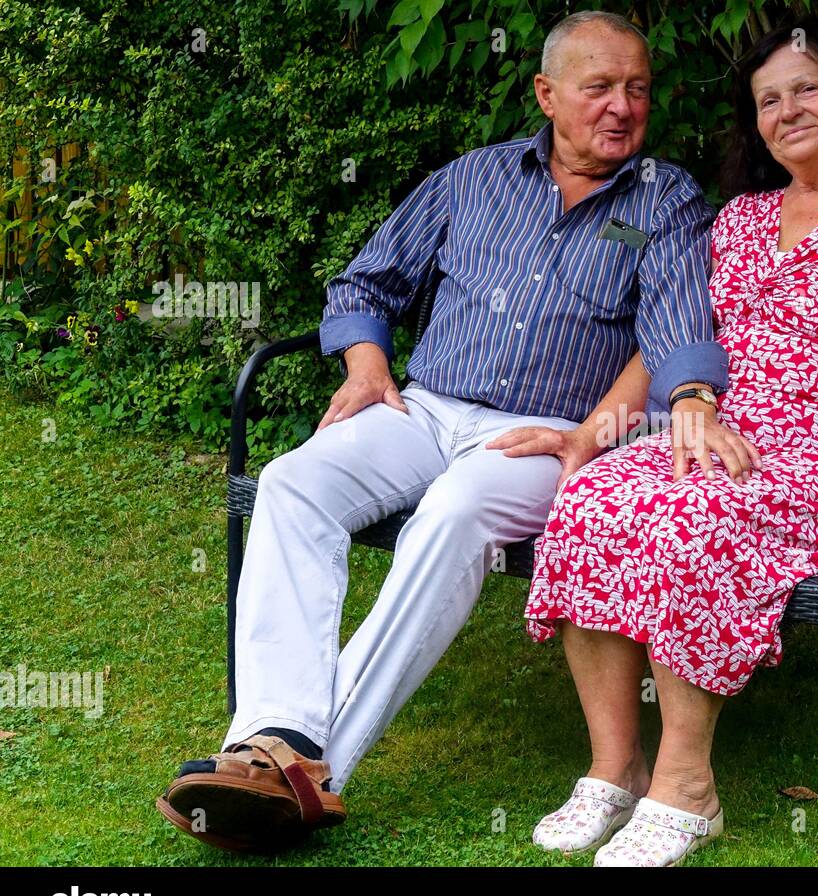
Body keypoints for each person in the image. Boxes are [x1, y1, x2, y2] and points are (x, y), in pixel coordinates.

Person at [154, 10, 747, 852]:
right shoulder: (473, 179)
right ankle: (275, 734)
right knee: (291, 482)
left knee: (454, 513)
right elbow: (367, 281)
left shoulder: (663, 197)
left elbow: (675, 327)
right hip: (426, 409)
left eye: (638, 89)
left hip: (546, 434)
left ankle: (303, 768)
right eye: (599, 87)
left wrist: (673, 401)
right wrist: (367, 365)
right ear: (546, 94)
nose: (622, 106)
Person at [519, 17, 818, 866]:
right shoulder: (738, 220)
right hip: (725, 438)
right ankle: (614, 767)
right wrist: (597, 430)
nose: (787, 111)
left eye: (806, 89)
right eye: (768, 101)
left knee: (693, 517)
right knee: (590, 497)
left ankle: (687, 787)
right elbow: (671, 341)